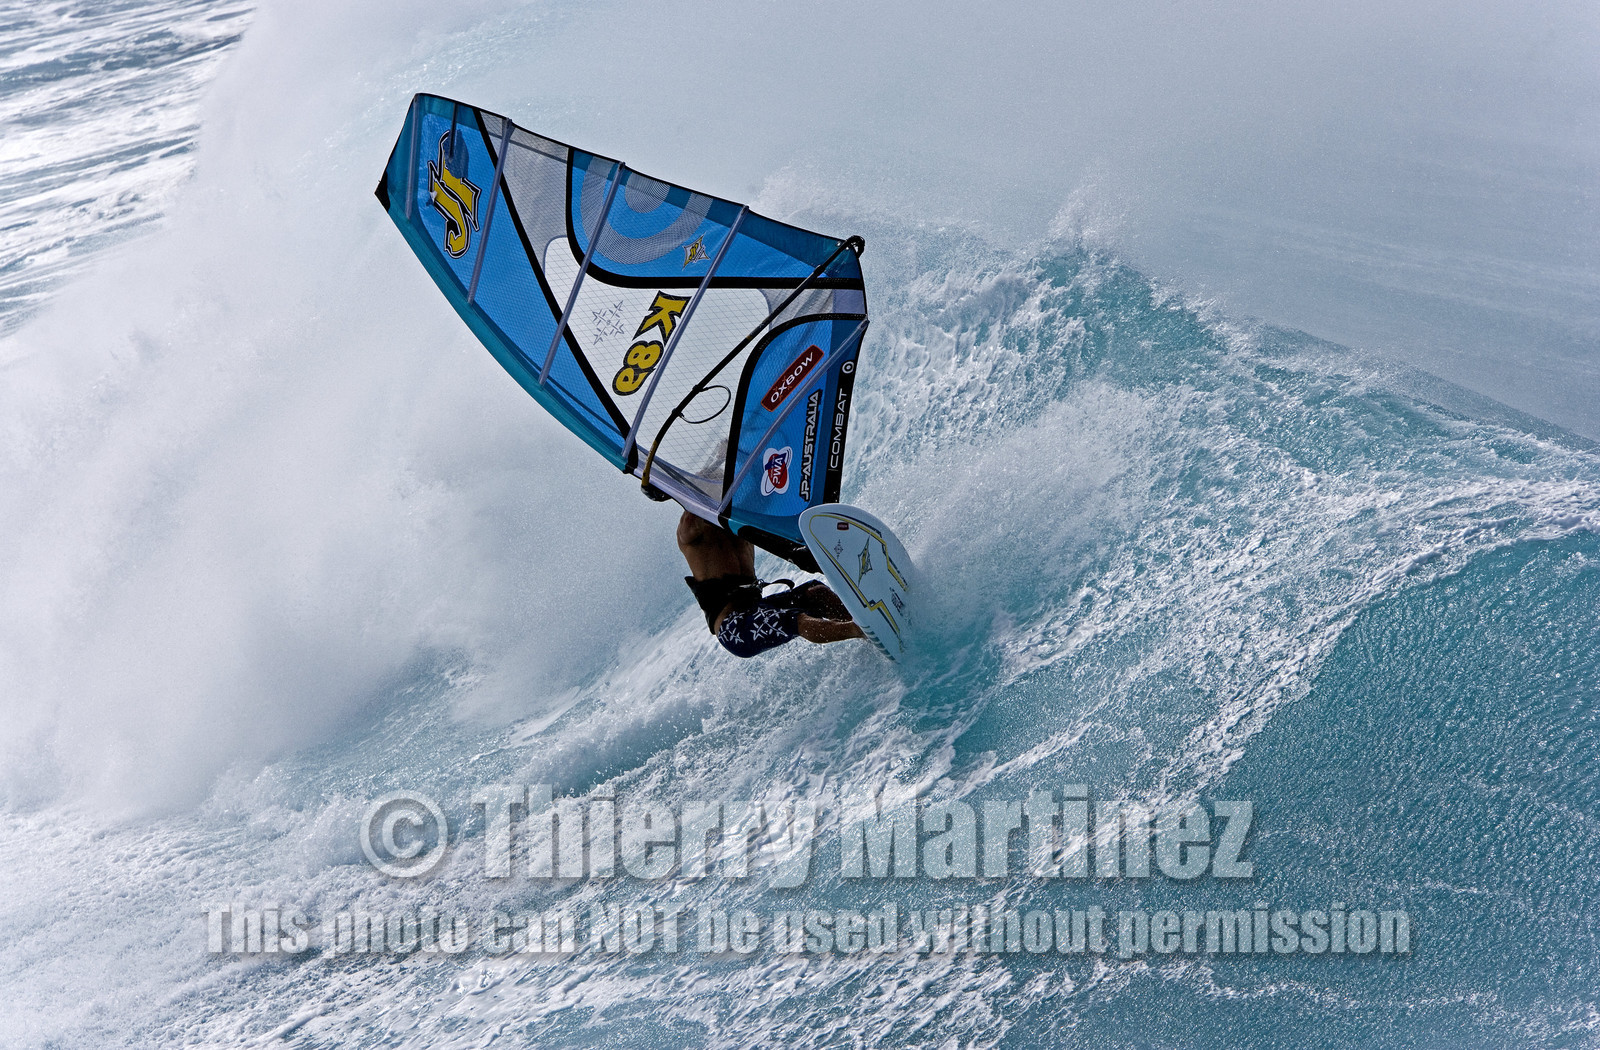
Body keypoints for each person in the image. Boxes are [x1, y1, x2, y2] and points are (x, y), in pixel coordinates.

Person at [676, 510, 864, 657]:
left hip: (757, 608)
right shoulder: (691, 531)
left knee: (818, 593)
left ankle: (866, 623)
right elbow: (689, 516)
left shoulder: (737, 519)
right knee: (795, 620)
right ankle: (860, 629)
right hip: (733, 627)